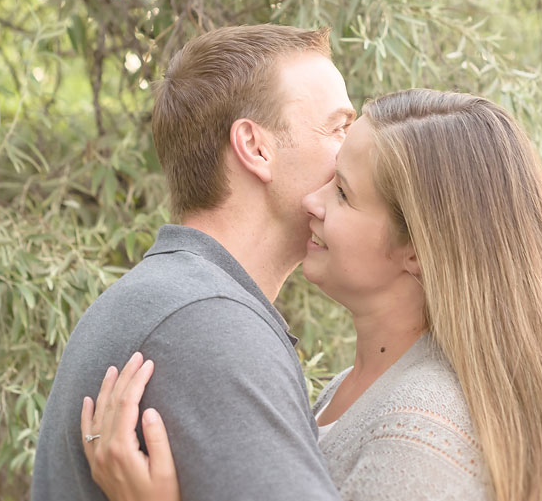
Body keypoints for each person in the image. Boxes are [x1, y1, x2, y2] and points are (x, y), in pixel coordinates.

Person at [81, 89, 542, 501]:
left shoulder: (420, 430)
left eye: (342, 192)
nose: (312, 202)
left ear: (417, 250)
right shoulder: (355, 390)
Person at [31, 24, 356, 501]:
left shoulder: (174, 300)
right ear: (255, 147)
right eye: (338, 127)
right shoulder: (209, 325)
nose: (353, 149)